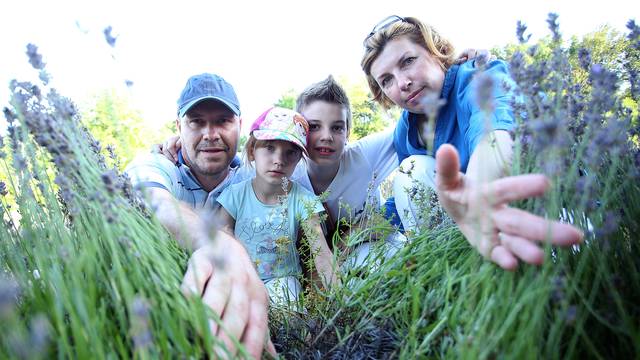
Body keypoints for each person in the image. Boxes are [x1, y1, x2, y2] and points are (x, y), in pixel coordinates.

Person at [361, 15, 584, 270]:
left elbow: (495, 130)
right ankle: (447, 274)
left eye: (408, 61)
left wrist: (477, 196)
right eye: (386, 80)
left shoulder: (479, 75)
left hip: (552, 209)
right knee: (410, 171)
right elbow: (411, 193)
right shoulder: (406, 130)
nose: (402, 83)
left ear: (436, 52)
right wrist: (358, 231)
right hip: (474, 227)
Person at [125, 73, 274, 358]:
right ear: (178, 126)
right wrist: (221, 245)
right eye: (196, 122)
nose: (210, 134)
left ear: (240, 126)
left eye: (222, 120)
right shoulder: (157, 163)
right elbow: (152, 200)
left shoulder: (252, 176)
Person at [215, 107, 337, 307]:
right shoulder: (235, 195)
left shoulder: (303, 199)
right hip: (241, 276)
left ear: (299, 159)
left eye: (290, 153)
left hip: (283, 280)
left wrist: (338, 298)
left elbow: (321, 253)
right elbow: (220, 240)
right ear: (252, 150)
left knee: (288, 306)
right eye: (269, 148)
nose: (279, 160)